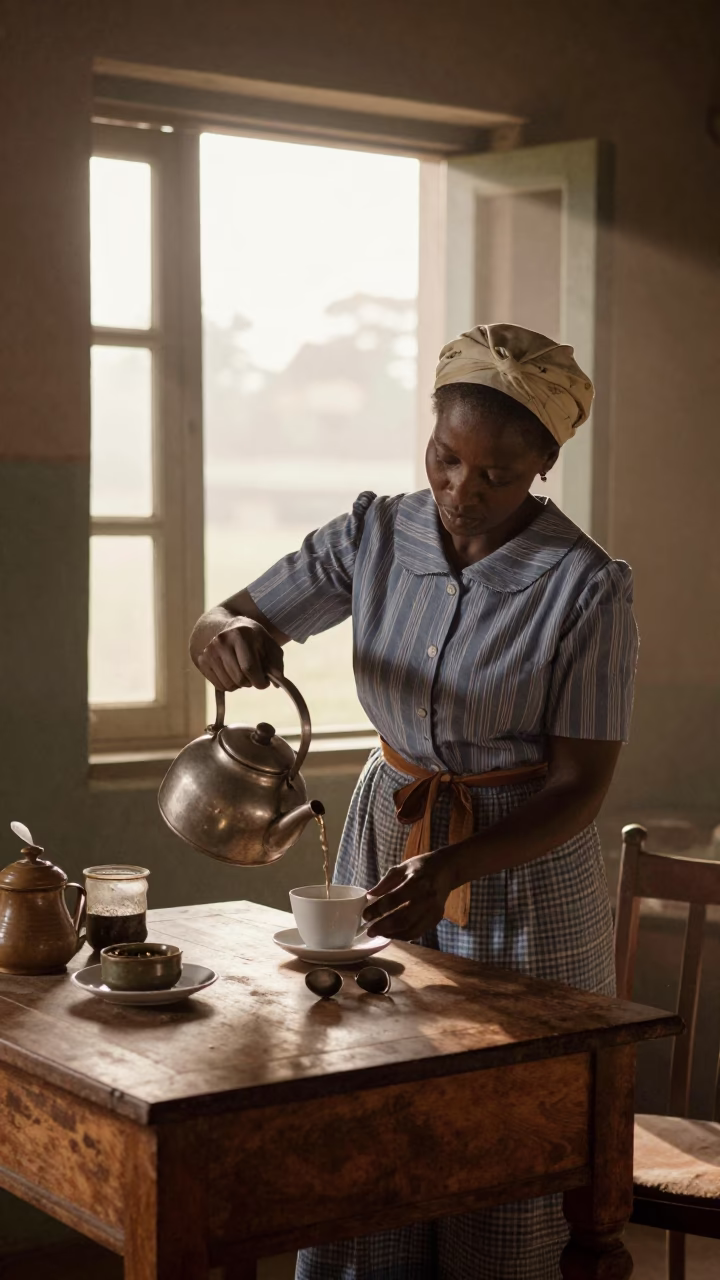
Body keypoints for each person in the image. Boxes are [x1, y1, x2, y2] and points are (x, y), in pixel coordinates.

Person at [190, 322, 639, 1280]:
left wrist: (454, 866)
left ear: (545, 466)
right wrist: (226, 635)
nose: (461, 490)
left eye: (497, 475)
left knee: (504, 1134)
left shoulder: (586, 587)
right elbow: (224, 616)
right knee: (365, 1099)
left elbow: (579, 789)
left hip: (521, 875)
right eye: (445, 457)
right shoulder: (373, 535)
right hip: (388, 833)